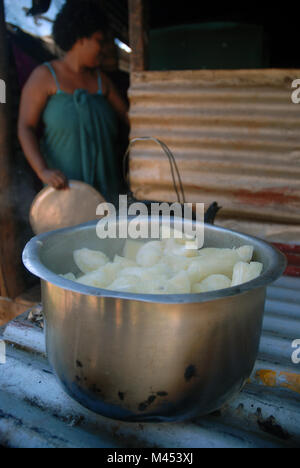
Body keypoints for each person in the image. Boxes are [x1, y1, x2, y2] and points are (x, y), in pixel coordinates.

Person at [18, 0, 129, 204]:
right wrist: (43, 170)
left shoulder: (101, 81)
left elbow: (131, 120)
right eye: (99, 40)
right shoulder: (44, 76)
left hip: (107, 192)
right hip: (65, 192)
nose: (104, 49)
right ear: (80, 38)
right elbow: (26, 127)